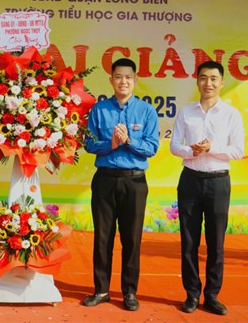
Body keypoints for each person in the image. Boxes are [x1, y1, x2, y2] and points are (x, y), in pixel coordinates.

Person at [83, 58, 160, 310]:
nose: (123, 81)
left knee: (132, 239)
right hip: (105, 180)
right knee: (102, 238)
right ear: (111, 80)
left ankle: (129, 292)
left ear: (135, 80)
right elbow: (89, 143)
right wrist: (111, 145)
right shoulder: (99, 109)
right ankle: (101, 290)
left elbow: (152, 147)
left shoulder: (146, 111)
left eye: (128, 77)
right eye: (118, 77)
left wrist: (128, 141)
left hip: (134, 182)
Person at [170, 61, 245, 316]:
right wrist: (191, 151)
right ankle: (192, 293)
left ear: (222, 82)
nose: (208, 83)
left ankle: (212, 295)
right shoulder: (186, 112)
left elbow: (238, 150)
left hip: (218, 182)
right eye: (203, 78)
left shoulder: (231, 114)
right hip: (190, 180)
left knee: (216, 241)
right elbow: (174, 146)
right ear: (197, 81)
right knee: (189, 241)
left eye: (213, 78)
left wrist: (212, 148)